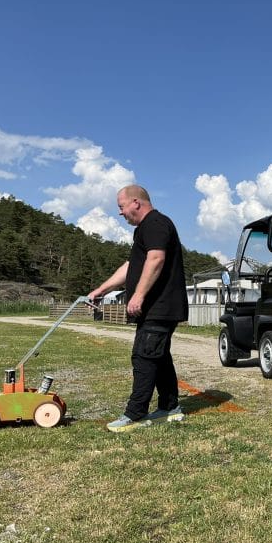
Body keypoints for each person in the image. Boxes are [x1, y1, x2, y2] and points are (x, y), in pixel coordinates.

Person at [88, 185, 189, 432]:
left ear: (136, 202)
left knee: (143, 355)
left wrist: (139, 295)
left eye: (121, 207)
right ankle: (170, 407)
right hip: (155, 308)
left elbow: (156, 259)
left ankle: (135, 414)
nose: (120, 213)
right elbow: (131, 266)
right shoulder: (144, 230)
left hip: (160, 306)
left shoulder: (156, 223)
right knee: (159, 356)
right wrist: (101, 290)